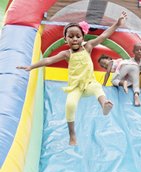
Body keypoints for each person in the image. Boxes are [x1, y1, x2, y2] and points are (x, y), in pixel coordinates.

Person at [16, 11, 127, 146]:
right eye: (71, 36)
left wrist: (117, 24)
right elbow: (49, 60)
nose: (75, 39)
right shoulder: (66, 54)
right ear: (65, 39)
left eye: (78, 36)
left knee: (98, 88)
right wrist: (31, 66)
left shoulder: (88, 46)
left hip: (89, 83)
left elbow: (104, 36)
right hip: (75, 87)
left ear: (82, 37)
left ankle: (104, 104)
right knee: (70, 105)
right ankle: (72, 134)